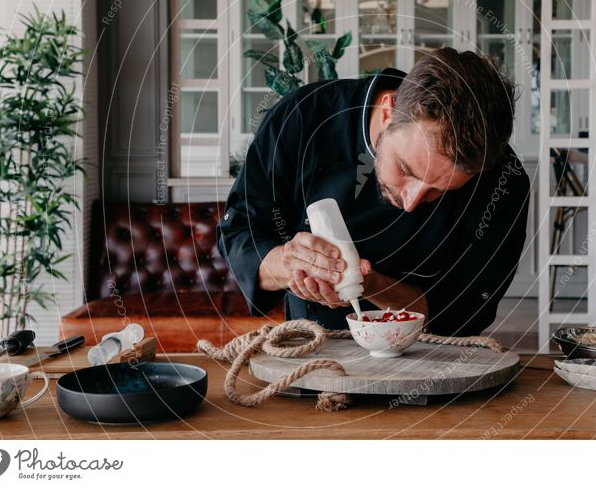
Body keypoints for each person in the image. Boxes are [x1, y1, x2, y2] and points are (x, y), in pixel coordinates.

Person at [218, 48, 530, 336]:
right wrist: (290, 265)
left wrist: (372, 285)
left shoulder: (505, 184)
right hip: (313, 345)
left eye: (440, 191)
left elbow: (467, 308)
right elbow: (239, 233)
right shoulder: (305, 116)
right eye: (406, 169)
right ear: (387, 112)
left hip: (432, 362)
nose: (411, 203)